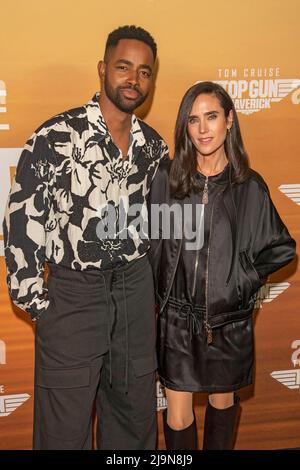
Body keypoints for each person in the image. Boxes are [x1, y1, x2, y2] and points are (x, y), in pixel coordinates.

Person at [3, 25, 168, 450]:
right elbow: (22, 226)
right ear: (102, 69)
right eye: (123, 67)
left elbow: (163, 227)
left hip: (133, 292)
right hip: (74, 296)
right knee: (63, 434)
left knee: (133, 428)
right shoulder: (55, 137)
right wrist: (42, 306)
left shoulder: (154, 149)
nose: (134, 79)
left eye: (144, 72)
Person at [148, 81, 296, 450]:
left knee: (222, 405)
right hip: (177, 321)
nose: (202, 129)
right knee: (178, 416)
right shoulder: (168, 179)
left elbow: (282, 249)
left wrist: (241, 281)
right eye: (193, 120)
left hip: (227, 324)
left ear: (229, 120)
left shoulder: (249, 187)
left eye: (211, 117)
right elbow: (150, 244)